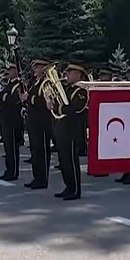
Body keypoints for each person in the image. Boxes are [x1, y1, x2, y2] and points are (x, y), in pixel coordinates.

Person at [54, 62, 89, 200]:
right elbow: (59, 105)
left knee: (71, 161)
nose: (66, 75)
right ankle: (68, 186)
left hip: (73, 130)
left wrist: (59, 108)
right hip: (62, 128)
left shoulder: (81, 91)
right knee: (63, 161)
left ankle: (75, 189)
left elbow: (75, 108)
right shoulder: (67, 89)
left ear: (78, 74)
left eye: (69, 72)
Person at [24, 59, 54, 190]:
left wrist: (29, 98)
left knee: (42, 151)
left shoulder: (47, 83)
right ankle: (37, 177)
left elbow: (46, 102)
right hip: (33, 121)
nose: (34, 69)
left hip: (42, 122)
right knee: (35, 151)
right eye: (34, 67)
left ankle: (42, 179)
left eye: (37, 67)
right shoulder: (34, 82)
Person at [0, 62, 25, 181]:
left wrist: (2, 98)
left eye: (11, 70)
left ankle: (13, 172)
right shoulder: (9, 84)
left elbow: (14, 99)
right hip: (6, 119)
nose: (8, 72)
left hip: (13, 120)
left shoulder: (19, 85)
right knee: (8, 148)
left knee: (12, 148)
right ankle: (9, 170)